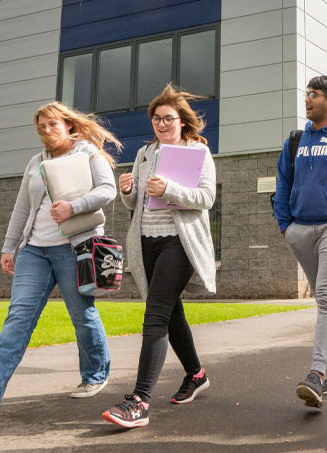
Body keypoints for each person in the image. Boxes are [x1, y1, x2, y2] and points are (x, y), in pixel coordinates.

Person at [0, 102, 120, 415]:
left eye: (53, 125)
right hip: (34, 250)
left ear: (69, 125)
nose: (47, 131)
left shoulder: (87, 153)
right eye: (41, 127)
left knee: (82, 315)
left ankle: (95, 374)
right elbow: (22, 208)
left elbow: (107, 190)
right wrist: (10, 247)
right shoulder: (35, 162)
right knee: (18, 316)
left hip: (75, 249)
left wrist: (73, 207)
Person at [102, 84, 217, 429]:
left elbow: (207, 197)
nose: (161, 124)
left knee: (154, 315)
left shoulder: (197, 152)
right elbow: (136, 204)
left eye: (168, 118)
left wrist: (169, 189)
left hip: (179, 242)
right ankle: (196, 374)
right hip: (147, 242)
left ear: (183, 121)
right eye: (156, 119)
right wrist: (129, 191)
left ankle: (139, 401)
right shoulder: (143, 154)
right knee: (170, 312)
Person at [273, 75, 327, 408]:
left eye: (314, 95)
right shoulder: (296, 140)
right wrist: (286, 227)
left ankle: (316, 375)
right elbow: (283, 181)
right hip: (300, 230)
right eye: (306, 93)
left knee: (326, 296)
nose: (307, 99)